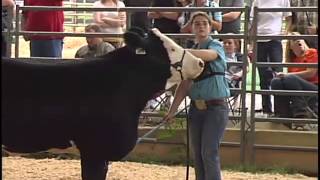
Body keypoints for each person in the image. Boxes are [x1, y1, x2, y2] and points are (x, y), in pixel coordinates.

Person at [164, 12, 230, 180]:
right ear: (192, 28)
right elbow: (184, 85)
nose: (201, 26)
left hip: (215, 107)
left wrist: (183, 52)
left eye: (204, 23)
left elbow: (211, 56)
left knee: (209, 152)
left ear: (210, 27)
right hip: (196, 108)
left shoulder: (215, 45)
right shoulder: (190, 54)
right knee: (198, 155)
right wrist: (172, 111)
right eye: (197, 24)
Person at [249, 0, 292, 114]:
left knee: (278, 74)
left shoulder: (283, 0)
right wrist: (251, 45)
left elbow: (288, 18)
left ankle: (281, 109)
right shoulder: (257, 1)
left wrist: (285, 33)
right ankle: (266, 108)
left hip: (275, 40)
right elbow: (253, 23)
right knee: (263, 76)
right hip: (259, 40)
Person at [271, 32, 318, 127]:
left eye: (299, 38)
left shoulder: (312, 52)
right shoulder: (294, 61)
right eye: (293, 39)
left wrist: (288, 75)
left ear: (304, 41)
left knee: (290, 78)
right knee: (276, 81)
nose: (297, 40)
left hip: (314, 87)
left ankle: (301, 114)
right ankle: (282, 114)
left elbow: (311, 73)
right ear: (290, 46)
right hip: (298, 88)